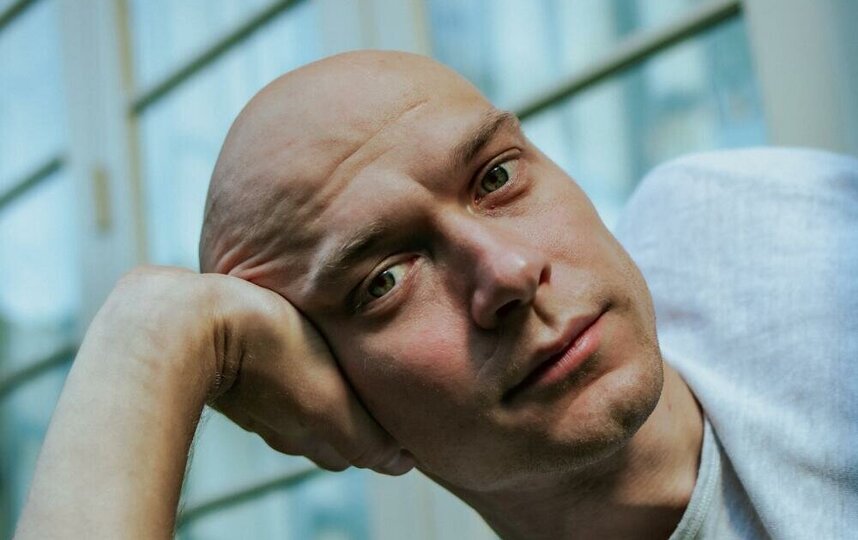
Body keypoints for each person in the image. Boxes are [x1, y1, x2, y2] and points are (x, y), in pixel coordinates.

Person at [14, 51, 857, 539]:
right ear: (319, 402)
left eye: (496, 177)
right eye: (382, 281)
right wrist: (155, 332)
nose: (509, 274)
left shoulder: (754, 223)